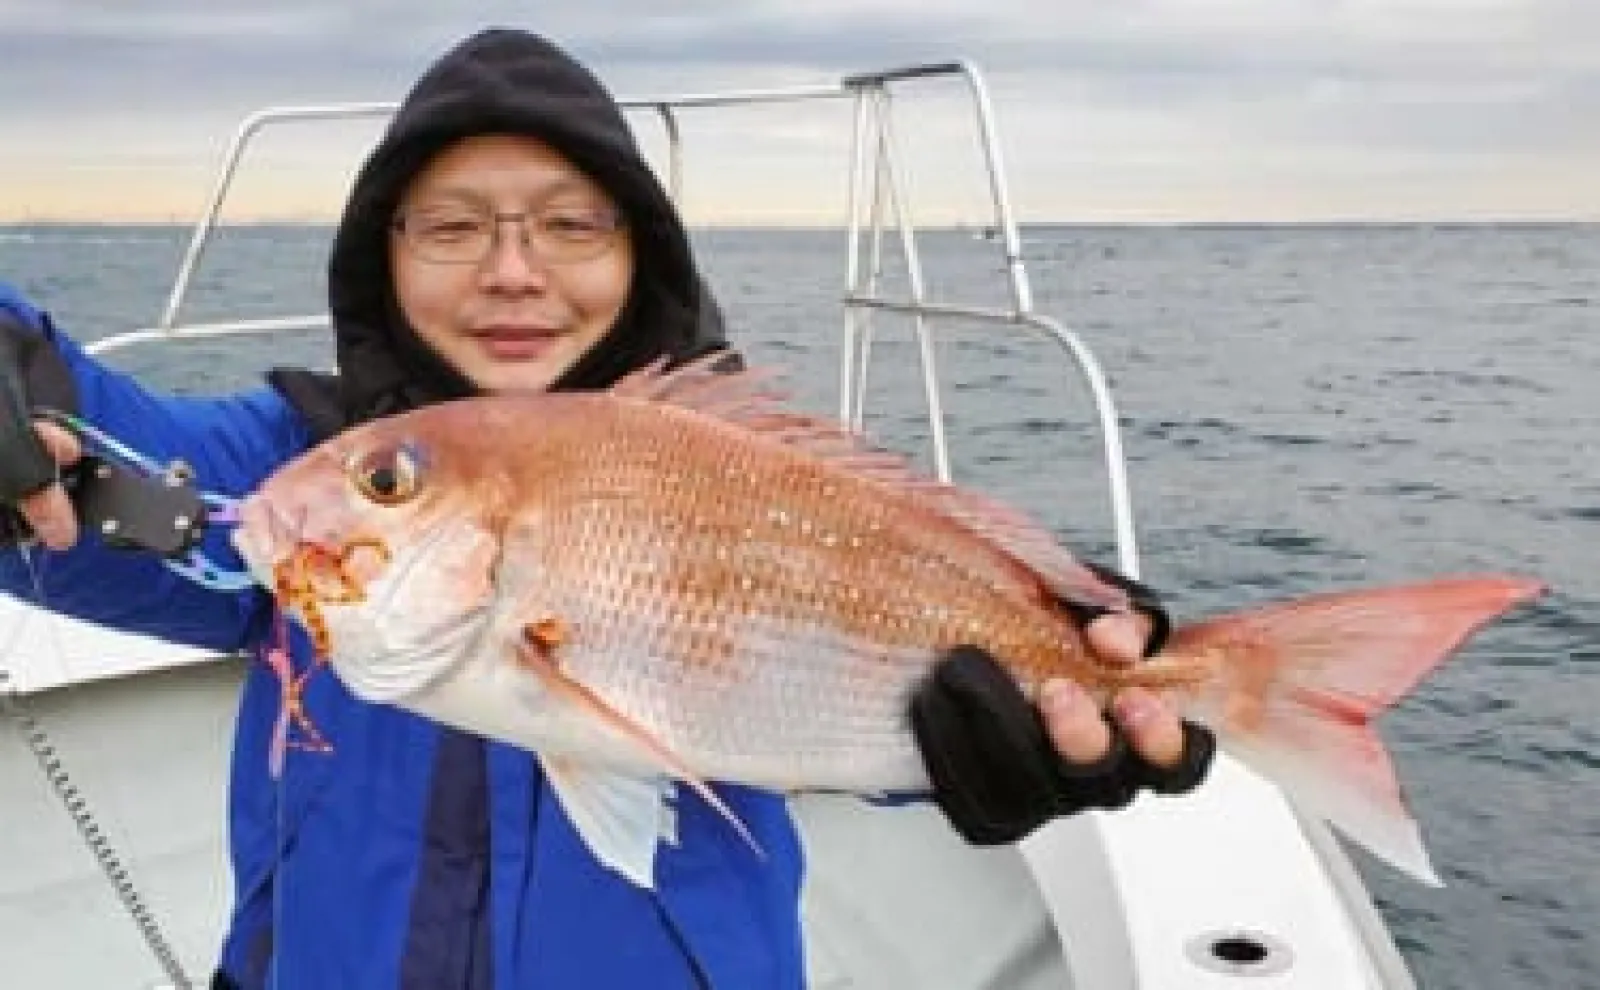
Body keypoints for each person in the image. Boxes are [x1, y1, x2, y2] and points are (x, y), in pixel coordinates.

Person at [0, 28, 1212, 989]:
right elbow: (94, 441)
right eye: (454, 226)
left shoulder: (740, 472)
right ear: (384, 254)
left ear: (642, 254)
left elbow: (875, 656)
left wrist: (1026, 715)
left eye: (572, 224)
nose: (513, 270)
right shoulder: (300, 469)